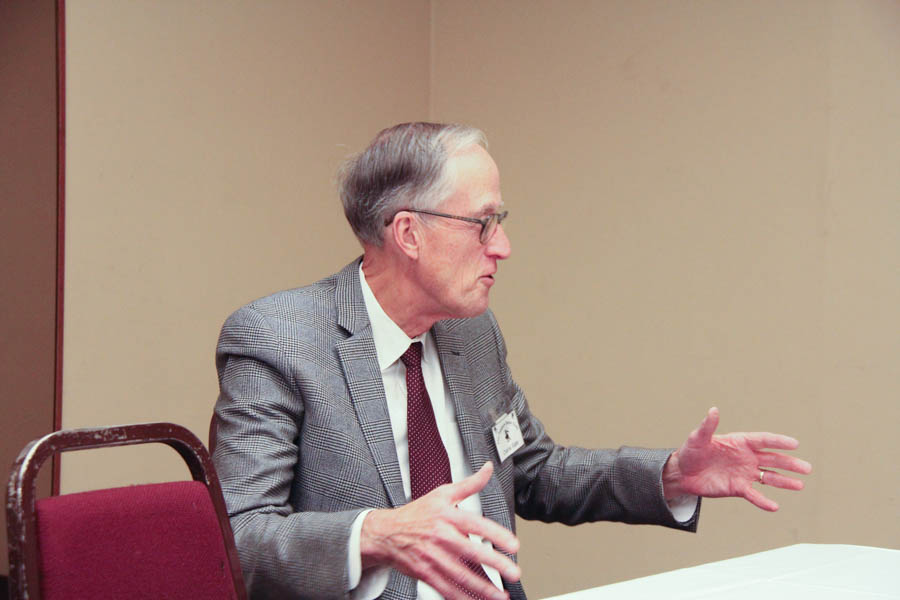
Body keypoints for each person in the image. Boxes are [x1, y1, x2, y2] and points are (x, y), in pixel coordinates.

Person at [212, 122, 812, 600]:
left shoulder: (471, 333)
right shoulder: (279, 337)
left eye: (499, 223)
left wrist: (671, 476)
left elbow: (532, 470)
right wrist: (377, 533)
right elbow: (238, 538)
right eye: (483, 224)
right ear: (409, 234)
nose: (502, 246)